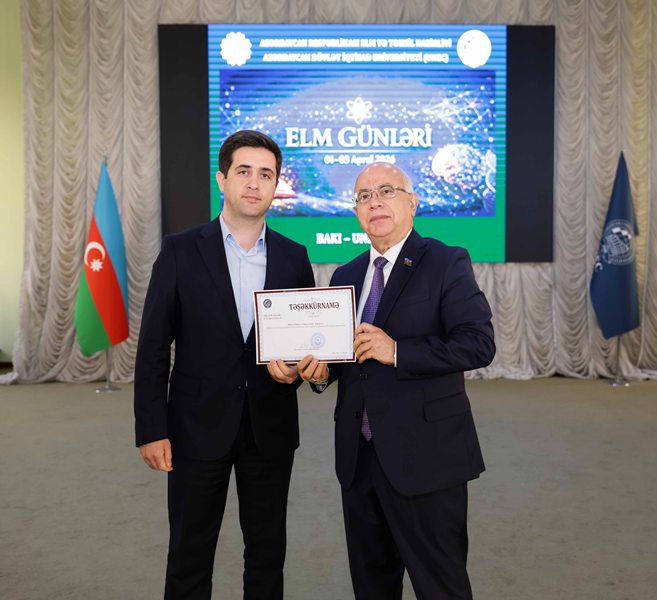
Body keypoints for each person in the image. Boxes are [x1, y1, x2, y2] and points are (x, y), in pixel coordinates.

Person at [287, 162, 495, 599]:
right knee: (372, 587)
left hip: (427, 459)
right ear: (356, 212)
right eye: (364, 196)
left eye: (386, 191)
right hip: (359, 460)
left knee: (441, 586)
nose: (375, 202)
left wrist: (398, 351)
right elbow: (347, 359)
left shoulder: (445, 261)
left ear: (412, 202)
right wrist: (321, 373)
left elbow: (478, 344)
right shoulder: (345, 276)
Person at [134, 130, 315, 600]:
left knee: (267, 555)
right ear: (222, 179)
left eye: (266, 174)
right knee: (189, 555)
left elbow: (302, 345)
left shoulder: (295, 258)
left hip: (269, 431)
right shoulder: (180, 250)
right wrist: (151, 428)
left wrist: (298, 371)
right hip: (195, 428)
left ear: (277, 185)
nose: (255, 183)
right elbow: (153, 346)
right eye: (244, 171)